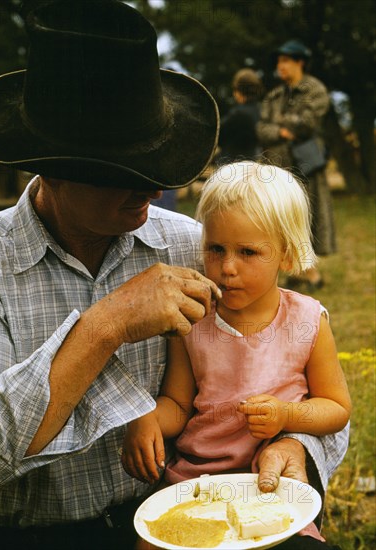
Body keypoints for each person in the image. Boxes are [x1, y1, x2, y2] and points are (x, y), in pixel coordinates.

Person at [0, 2, 347, 549]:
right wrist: (105, 326)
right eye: (126, 173)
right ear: (52, 168)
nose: (154, 189)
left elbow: (297, 374)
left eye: (159, 168)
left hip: (191, 515)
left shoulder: (196, 245)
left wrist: (296, 441)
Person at [122, 162, 351, 549]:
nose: (227, 268)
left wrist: (286, 415)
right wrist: (144, 419)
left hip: (272, 487)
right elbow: (178, 404)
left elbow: (335, 407)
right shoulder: (193, 318)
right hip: (197, 485)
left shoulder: (308, 320)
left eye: (248, 252)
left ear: (288, 255)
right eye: (216, 249)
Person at [257, 39, 336, 291]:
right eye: (279, 61)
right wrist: (281, 131)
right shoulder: (274, 95)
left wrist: (278, 125)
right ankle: (300, 272)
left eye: (286, 61)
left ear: (300, 62)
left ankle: (309, 273)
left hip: (306, 168)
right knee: (280, 220)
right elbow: (261, 129)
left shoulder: (314, 89)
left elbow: (307, 123)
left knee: (306, 219)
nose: (281, 66)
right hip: (277, 169)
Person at [217, 68, 262, 162]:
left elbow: (217, 135)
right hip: (253, 162)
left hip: (231, 165)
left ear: (238, 91)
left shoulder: (238, 113)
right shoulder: (261, 110)